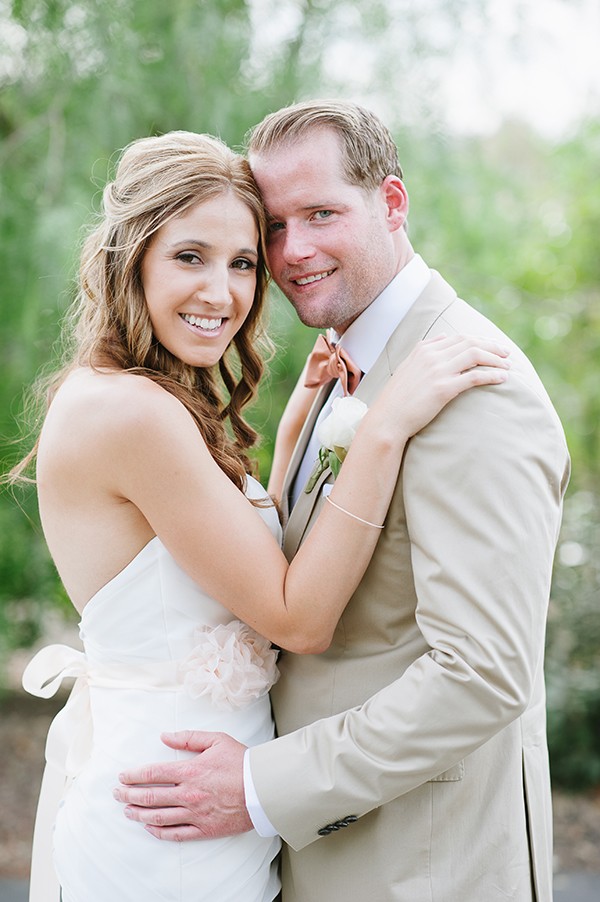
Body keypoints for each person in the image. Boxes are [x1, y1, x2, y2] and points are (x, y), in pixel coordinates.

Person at [12, 128, 509, 902]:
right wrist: (381, 429)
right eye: (189, 256)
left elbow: (220, 564)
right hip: (167, 821)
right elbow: (296, 617)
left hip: (195, 801)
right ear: (129, 254)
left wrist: (289, 445)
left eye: (243, 262)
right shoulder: (132, 414)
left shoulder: (131, 394)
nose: (222, 292)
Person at [114, 102, 571, 902]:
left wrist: (261, 786)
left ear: (392, 204)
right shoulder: (351, 365)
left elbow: (484, 675)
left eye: (322, 213)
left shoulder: (471, 389)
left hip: (420, 868)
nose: (294, 252)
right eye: (276, 227)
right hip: (330, 856)